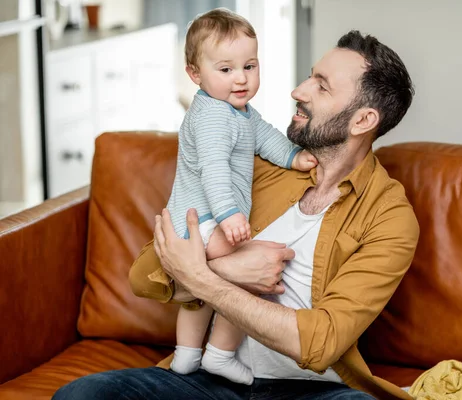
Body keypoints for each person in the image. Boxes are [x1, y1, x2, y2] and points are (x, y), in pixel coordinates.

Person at [53, 29, 419, 400]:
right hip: (208, 381)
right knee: (82, 396)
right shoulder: (253, 164)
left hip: (311, 392)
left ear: (362, 121)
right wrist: (227, 269)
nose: (299, 90)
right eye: (310, 75)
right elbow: (145, 276)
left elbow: (321, 342)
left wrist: (202, 279)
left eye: (321, 87)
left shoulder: (388, 217)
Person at [147, 9, 317, 384]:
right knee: (243, 279)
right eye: (225, 70)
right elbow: (213, 168)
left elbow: (267, 136)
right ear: (195, 74)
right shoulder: (211, 116)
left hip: (197, 223)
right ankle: (220, 354)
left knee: (201, 287)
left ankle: (187, 356)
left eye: (250, 66)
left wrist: (293, 156)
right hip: (204, 220)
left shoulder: (239, 111)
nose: (241, 78)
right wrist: (228, 214)